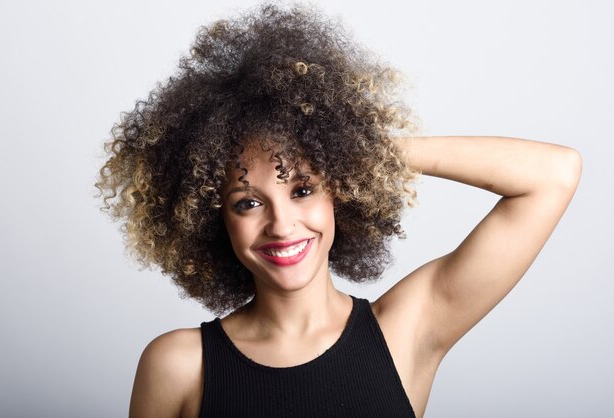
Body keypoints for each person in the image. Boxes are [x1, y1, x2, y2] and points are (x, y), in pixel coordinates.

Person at [95, 3, 582, 417]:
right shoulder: (179, 364)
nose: (282, 225)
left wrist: (364, 152)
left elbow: (554, 174)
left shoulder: (405, 330)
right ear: (211, 218)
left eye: (303, 190)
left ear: (341, 192)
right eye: (247, 202)